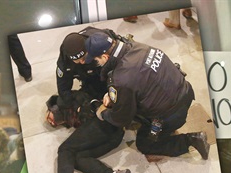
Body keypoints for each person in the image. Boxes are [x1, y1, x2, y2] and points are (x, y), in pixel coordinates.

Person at [34, 29, 133, 173]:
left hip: (106, 118)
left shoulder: (101, 46)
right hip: (111, 131)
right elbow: (64, 90)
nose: (81, 62)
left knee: (65, 149)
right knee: (77, 157)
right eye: (76, 60)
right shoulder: (66, 65)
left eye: (84, 57)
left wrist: (101, 102)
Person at [85, 32, 210, 161]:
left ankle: (191, 140)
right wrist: (114, 93)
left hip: (172, 114)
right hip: (185, 92)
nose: (97, 63)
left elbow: (121, 118)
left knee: (145, 144)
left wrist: (103, 112)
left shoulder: (120, 78)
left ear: (105, 57)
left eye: (96, 60)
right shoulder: (138, 46)